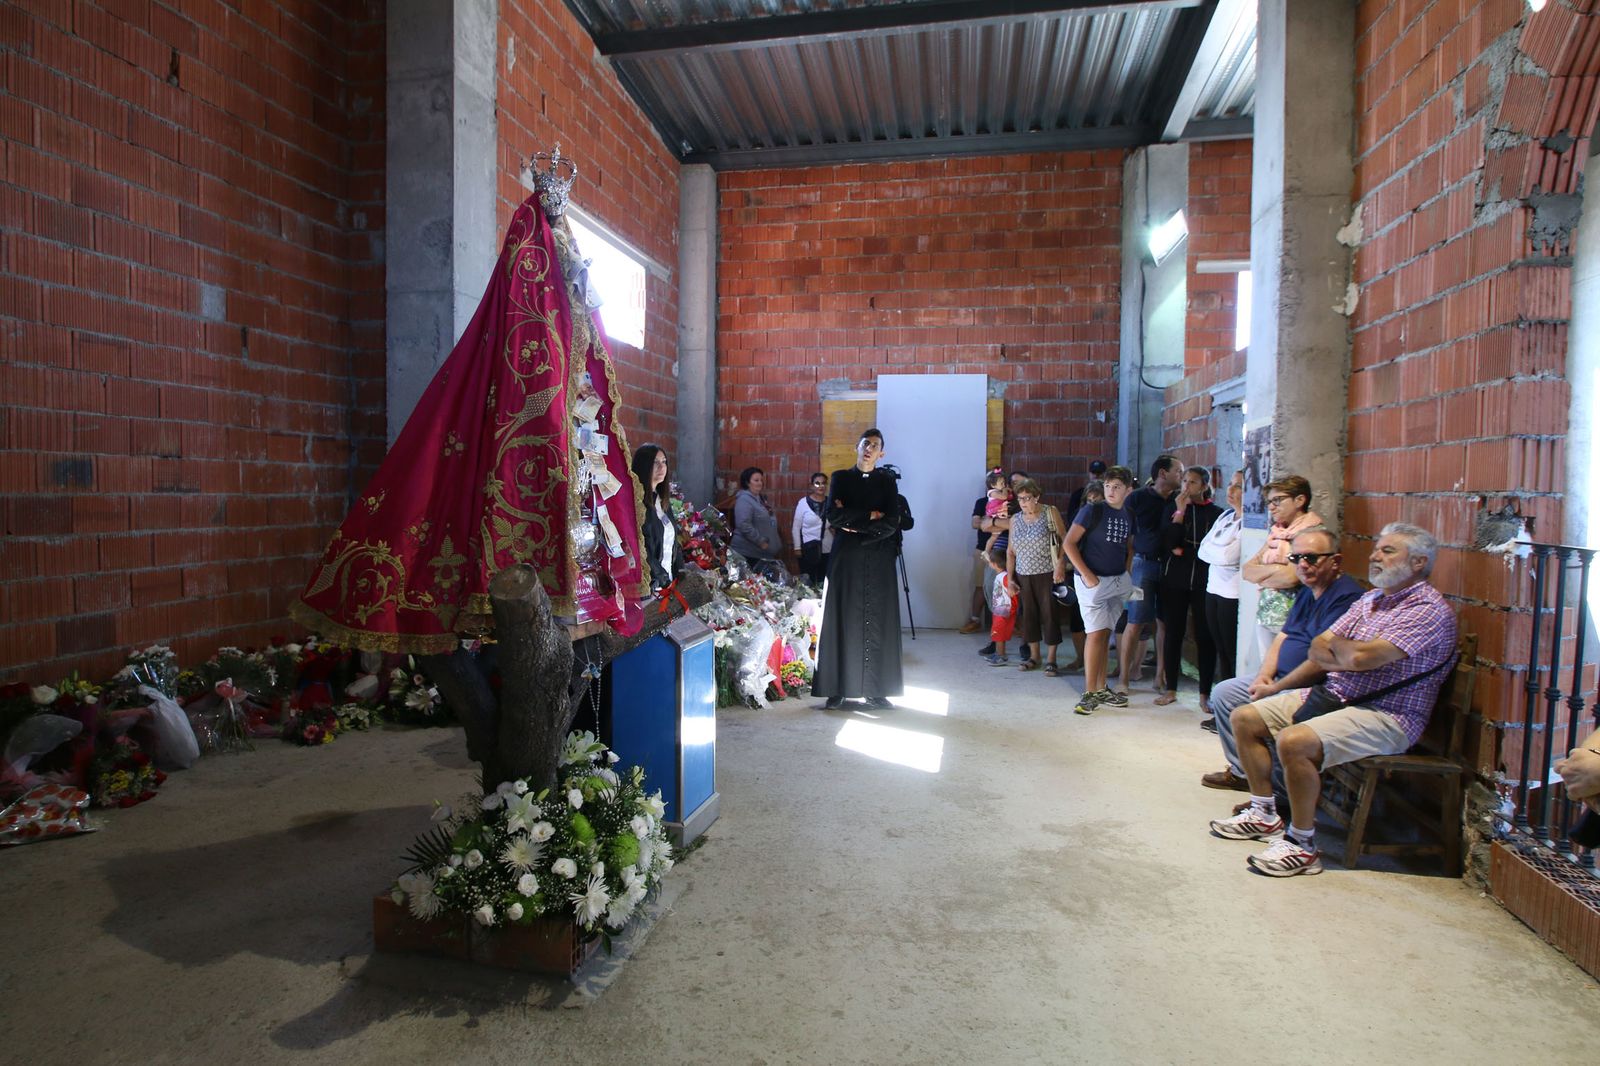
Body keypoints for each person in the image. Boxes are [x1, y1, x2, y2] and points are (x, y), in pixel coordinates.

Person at [1208, 523, 1457, 877]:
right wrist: (1345, 652)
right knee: (1245, 717)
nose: (1375, 556)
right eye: (1376, 548)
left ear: (1419, 562)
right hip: (1339, 695)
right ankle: (1265, 814)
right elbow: (1318, 647)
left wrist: (1343, 651)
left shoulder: (1427, 610)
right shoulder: (1372, 599)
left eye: (1388, 551)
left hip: (1388, 714)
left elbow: (1360, 658)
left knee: (1294, 741)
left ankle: (1302, 844)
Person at [1199, 527, 1364, 791]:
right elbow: (1283, 636)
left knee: (1253, 711)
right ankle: (1244, 773)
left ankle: (1273, 791)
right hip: (1281, 679)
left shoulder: (1346, 597)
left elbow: (1322, 661)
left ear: (1336, 561)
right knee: (1224, 693)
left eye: (1311, 558)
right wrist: (1264, 675)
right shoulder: (1308, 590)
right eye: (1296, 558)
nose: (1303, 565)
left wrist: (1275, 687)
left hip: (1313, 688)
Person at [813, 429, 906, 710]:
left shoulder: (887, 481)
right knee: (841, 617)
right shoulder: (841, 478)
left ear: (881, 453)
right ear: (857, 446)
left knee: (879, 620)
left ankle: (876, 691)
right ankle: (836, 688)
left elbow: (892, 521)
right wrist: (870, 515)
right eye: (866, 443)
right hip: (847, 558)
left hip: (878, 557)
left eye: (875, 445)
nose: (869, 448)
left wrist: (856, 527)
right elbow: (834, 515)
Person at [1063, 465, 1136, 715]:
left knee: (1105, 633)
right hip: (1092, 581)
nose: (1111, 491)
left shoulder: (1128, 514)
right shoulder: (1092, 510)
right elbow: (1069, 543)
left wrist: (1126, 572)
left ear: (1128, 490)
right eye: (1107, 486)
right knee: (1094, 634)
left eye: (1117, 487)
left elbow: (1128, 546)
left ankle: (1101, 687)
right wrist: (1086, 574)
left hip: (1116, 580)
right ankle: (1089, 693)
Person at [1155, 466, 1223, 707]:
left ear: (1204, 486)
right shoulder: (1172, 509)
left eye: (1192, 482)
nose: (1186, 486)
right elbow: (1169, 542)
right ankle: (1171, 689)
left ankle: (1205, 693)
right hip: (1174, 580)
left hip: (1205, 581)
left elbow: (1212, 550)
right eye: (1184, 480)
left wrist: (1185, 551)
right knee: (1174, 633)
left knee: (1205, 635)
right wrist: (1180, 512)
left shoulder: (1217, 513)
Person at [1241, 474, 1323, 660]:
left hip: (1296, 619)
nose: (1271, 507)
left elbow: (1292, 577)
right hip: (1267, 614)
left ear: (1300, 500)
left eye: (1277, 500)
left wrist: (1264, 574)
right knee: (1267, 668)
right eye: (1269, 502)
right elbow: (1247, 570)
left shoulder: (1312, 534)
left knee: (1288, 669)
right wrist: (1278, 571)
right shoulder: (1277, 532)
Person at [1122, 455, 1182, 696]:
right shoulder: (1137, 498)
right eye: (1178, 471)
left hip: (1170, 568)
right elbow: (1126, 535)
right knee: (1135, 621)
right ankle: (1124, 678)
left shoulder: (1180, 500)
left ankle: (1160, 676)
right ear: (1162, 474)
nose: (1181, 477)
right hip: (1142, 567)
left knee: (1164, 623)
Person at [1196, 471, 1245, 730]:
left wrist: (1218, 552)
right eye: (1230, 484)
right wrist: (1219, 553)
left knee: (1231, 652)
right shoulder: (1225, 516)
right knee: (1220, 651)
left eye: (1239, 486)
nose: (1231, 490)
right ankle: (1223, 711)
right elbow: (1203, 550)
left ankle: (1233, 713)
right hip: (1213, 589)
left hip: (1232, 594)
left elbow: (1229, 557)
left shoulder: (1249, 522)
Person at [1005, 478, 1068, 676]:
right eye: (1020, 498)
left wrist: (1060, 565)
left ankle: (1051, 659)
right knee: (1028, 615)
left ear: (1037, 497)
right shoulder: (1015, 519)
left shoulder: (1050, 512)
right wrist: (1010, 578)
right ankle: (1034, 656)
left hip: (1047, 573)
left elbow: (1065, 540)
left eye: (1027, 498)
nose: (1023, 502)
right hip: (1023, 574)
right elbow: (1010, 551)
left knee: (1050, 614)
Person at [630, 444, 685, 593]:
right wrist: (662, 578)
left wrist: (682, 572)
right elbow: (641, 548)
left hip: (667, 583)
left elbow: (673, 542)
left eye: (664, 462)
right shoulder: (637, 502)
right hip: (650, 587)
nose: (662, 467)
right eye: (655, 462)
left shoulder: (663, 501)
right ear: (644, 466)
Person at [964, 469, 1007, 634]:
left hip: (1004, 550)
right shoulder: (982, 502)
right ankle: (975, 620)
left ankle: (1011, 623)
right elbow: (976, 524)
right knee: (980, 585)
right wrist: (992, 521)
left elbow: (1012, 522)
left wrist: (990, 522)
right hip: (983, 550)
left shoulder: (1009, 501)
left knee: (1005, 586)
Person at [731, 466, 783, 579]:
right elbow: (743, 525)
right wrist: (760, 541)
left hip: (763, 554)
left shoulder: (760, 499)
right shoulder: (744, 500)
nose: (760, 483)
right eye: (756, 480)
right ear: (747, 482)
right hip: (749, 554)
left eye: (761, 480)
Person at [791, 471, 833, 587]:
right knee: (808, 582)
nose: (821, 486)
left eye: (824, 483)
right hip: (808, 548)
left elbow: (837, 522)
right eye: (817, 483)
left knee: (823, 581)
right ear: (811, 486)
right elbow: (796, 527)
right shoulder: (803, 503)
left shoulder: (831, 502)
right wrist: (797, 547)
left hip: (827, 548)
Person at [985, 547, 1018, 665]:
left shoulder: (1005, 577)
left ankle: (1001, 656)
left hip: (1004, 610)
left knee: (999, 633)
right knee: (997, 631)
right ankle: (998, 653)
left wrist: (1012, 608)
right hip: (999, 609)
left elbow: (1014, 593)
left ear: (994, 564)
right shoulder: (1002, 575)